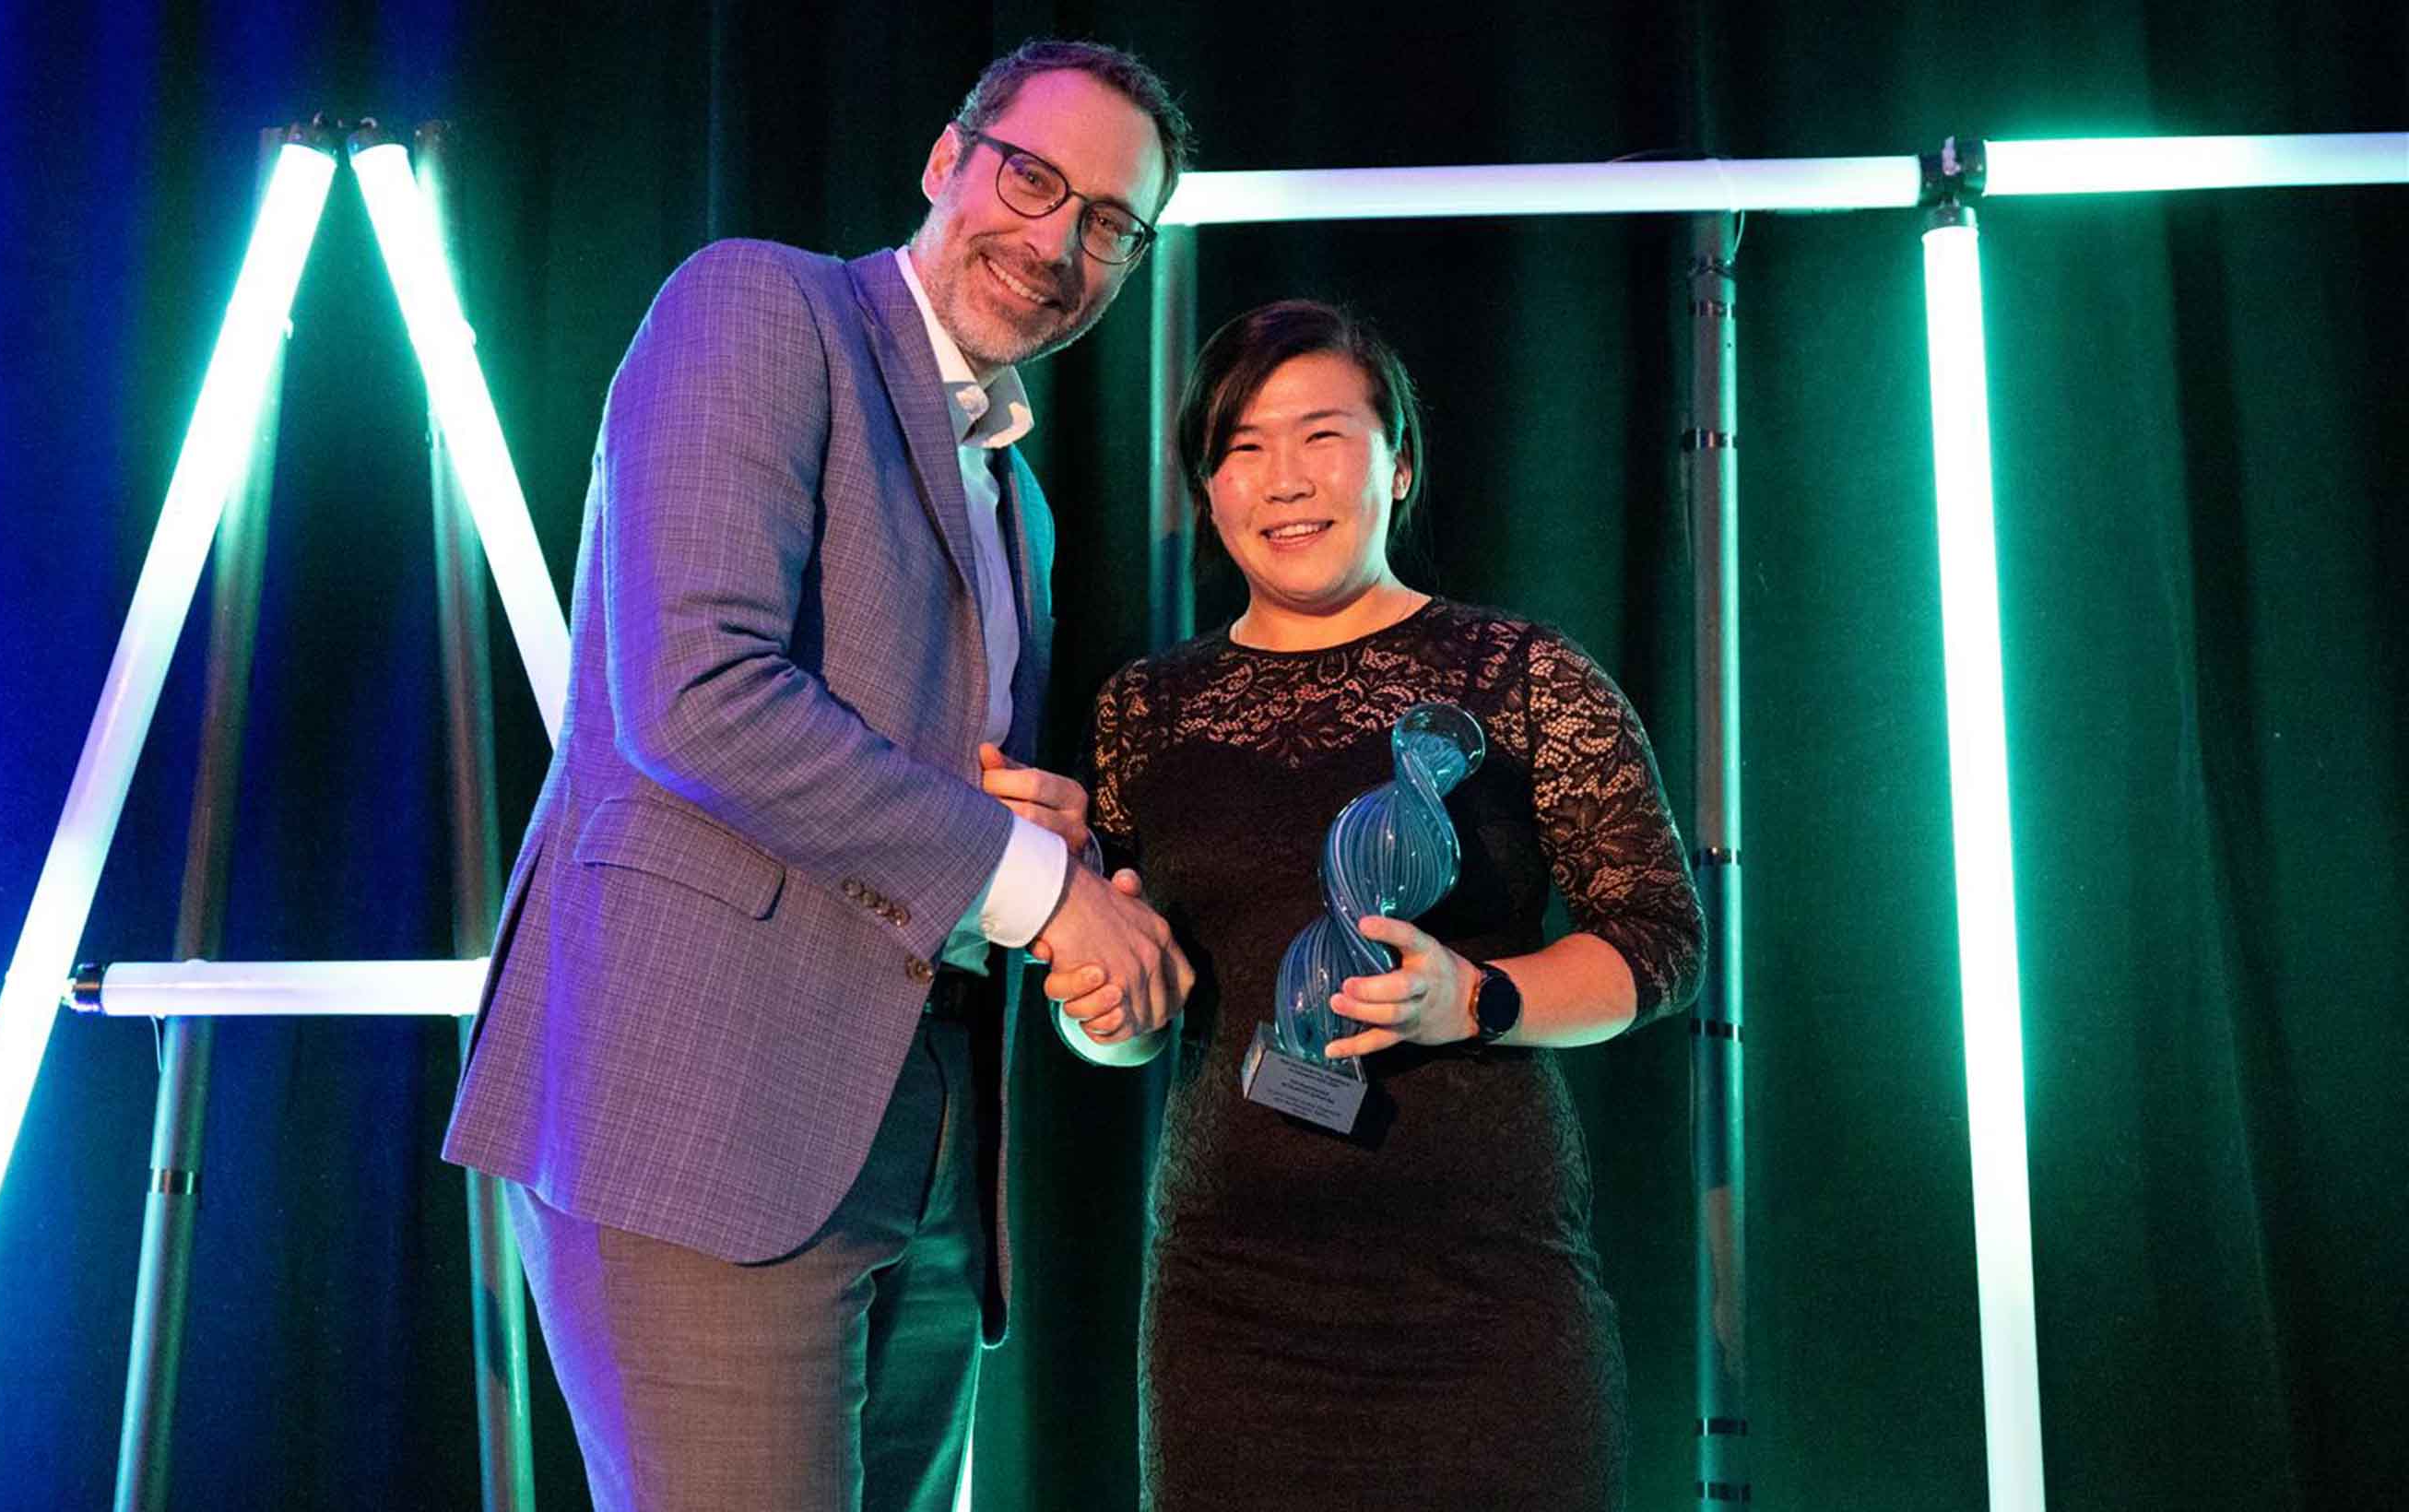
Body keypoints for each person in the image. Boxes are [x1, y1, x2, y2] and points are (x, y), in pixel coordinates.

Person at [443, 41, 1196, 1512]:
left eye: (1110, 222)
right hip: (704, 1117)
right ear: (946, 159)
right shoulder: (762, 305)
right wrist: (1041, 889)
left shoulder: (1018, 498)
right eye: (1032, 180)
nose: (1058, 242)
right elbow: (697, 697)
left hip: (924, 1148)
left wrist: (1038, 843)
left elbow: (925, 804)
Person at [1046, 301, 1706, 1509]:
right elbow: (1126, 1013)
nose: (1284, 480)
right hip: (1229, 1307)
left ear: (1398, 463)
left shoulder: (1520, 675)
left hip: (1490, 1303)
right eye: (1242, 446)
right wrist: (1102, 1017)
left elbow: (1662, 943)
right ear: (1206, 486)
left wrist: (1478, 998)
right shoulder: (1144, 709)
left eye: (1322, 436)